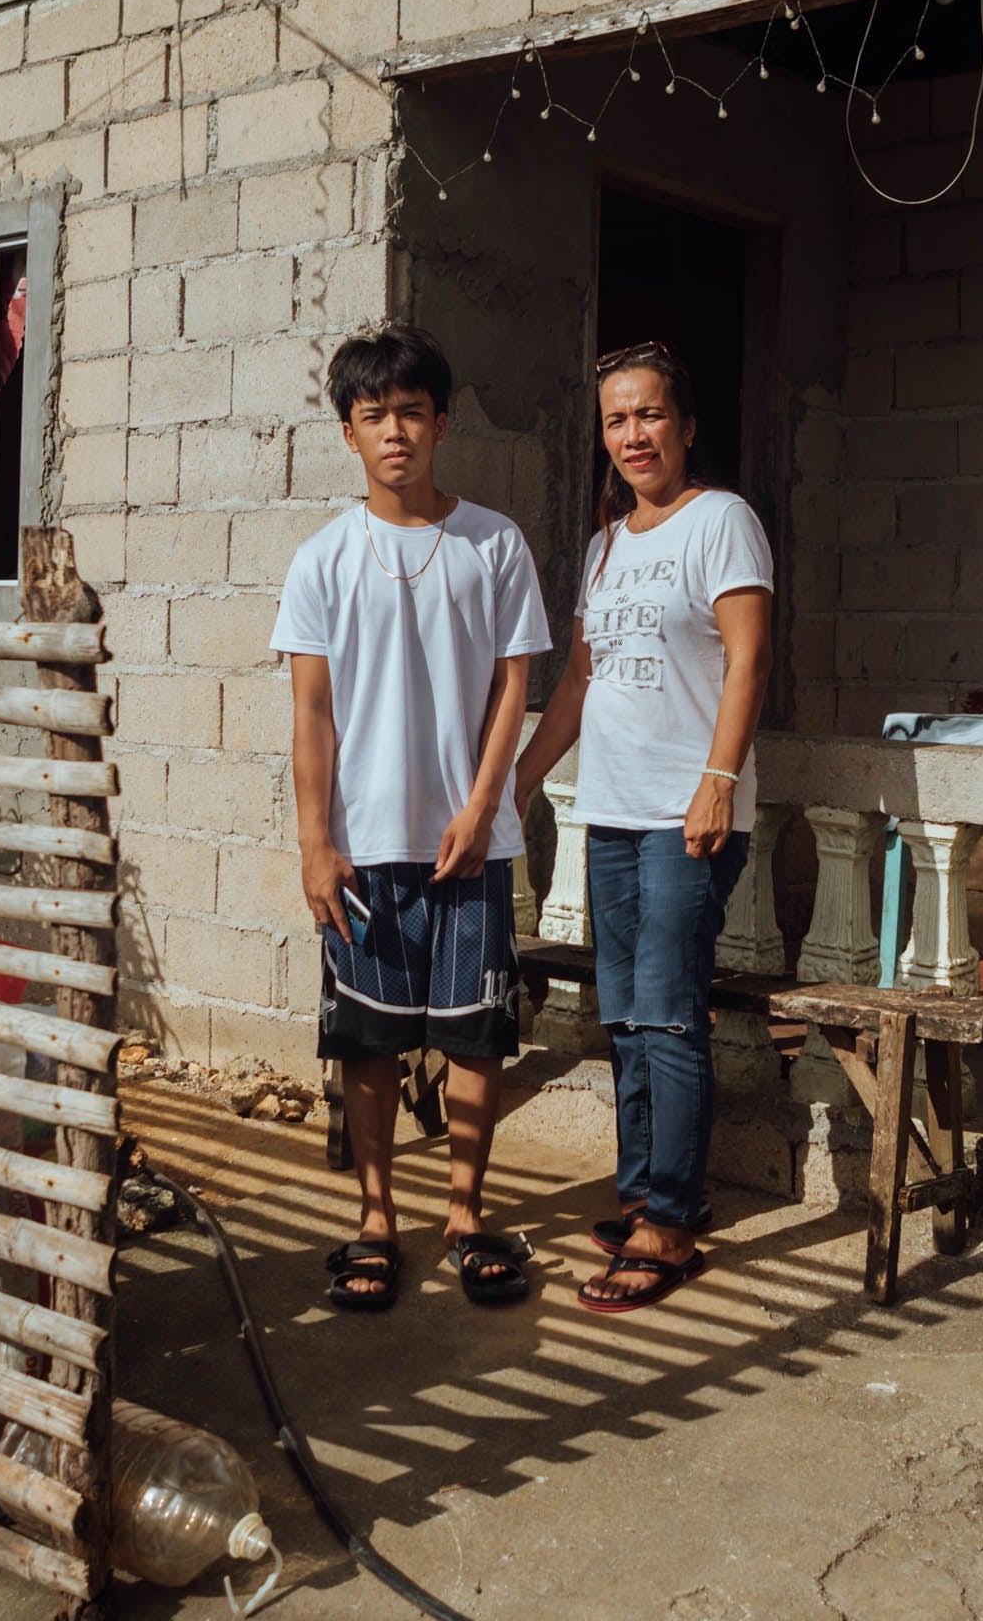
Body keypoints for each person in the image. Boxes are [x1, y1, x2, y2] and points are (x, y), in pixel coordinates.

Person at [272, 324, 551, 1312]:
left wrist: (485, 806)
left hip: (469, 841)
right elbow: (311, 712)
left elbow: (516, 683)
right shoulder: (323, 560)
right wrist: (314, 843)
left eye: (412, 412)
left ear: (440, 422)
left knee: (477, 1037)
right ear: (349, 432)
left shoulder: (494, 544)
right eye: (374, 414)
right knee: (368, 1041)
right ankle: (377, 1217)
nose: (396, 431)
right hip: (362, 843)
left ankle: (466, 1211)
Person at [513, 342, 772, 1314]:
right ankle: (642, 1193)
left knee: (666, 1015)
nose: (634, 435)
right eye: (618, 420)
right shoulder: (607, 543)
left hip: (685, 814)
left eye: (650, 415)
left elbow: (748, 661)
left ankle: (672, 1217)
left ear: (686, 424)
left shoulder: (723, 523)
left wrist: (717, 779)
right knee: (622, 1017)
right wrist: (527, 779)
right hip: (612, 811)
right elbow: (580, 677)